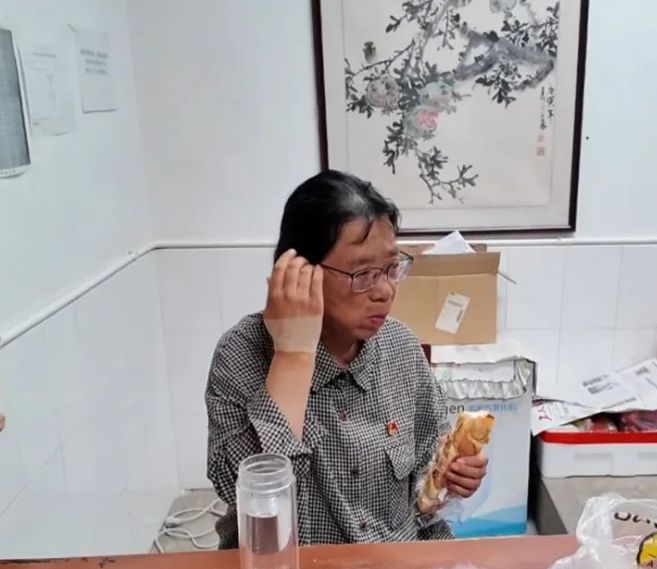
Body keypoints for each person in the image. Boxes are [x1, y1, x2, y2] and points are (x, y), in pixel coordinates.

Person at [205, 170, 488, 548]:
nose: (385, 291)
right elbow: (246, 496)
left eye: (391, 268)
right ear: (298, 272)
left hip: (392, 564)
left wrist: (452, 478)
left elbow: (424, 486)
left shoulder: (401, 348)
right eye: (363, 273)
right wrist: (293, 355)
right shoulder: (241, 353)